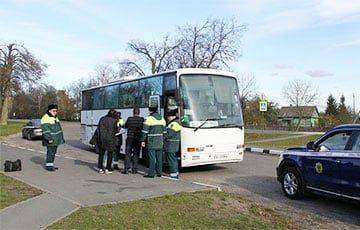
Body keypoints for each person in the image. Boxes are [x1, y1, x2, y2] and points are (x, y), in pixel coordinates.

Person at [141, 105, 166, 178]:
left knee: (151, 158)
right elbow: (165, 132)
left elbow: (144, 131)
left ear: (150, 110)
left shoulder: (148, 119)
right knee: (159, 158)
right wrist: (163, 140)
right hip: (160, 141)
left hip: (151, 141)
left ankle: (151, 174)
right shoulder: (162, 119)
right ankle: (159, 173)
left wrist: (143, 140)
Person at [41, 104, 65, 171]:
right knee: (50, 152)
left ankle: (51, 165)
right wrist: (49, 139)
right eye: (53, 111)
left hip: (55, 139)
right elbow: (45, 130)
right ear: (49, 111)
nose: (55, 112)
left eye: (56, 111)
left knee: (53, 152)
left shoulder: (54, 117)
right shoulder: (45, 118)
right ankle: (49, 166)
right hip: (50, 139)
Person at [122, 107, 144, 174]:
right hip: (138, 139)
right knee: (136, 154)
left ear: (133, 112)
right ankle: (134, 169)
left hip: (130, 138)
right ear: (139, 112)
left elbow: (125, 126)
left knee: (128, 154)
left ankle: (126, 169)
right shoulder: (141, 119)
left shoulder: (129, 119)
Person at [97, 109, 118, 174]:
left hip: (102, 139)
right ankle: (107, 169)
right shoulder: (114, 120)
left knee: (101, 154)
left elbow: (98, 128)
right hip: (110, 139)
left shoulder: (102, 119)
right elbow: (115, 130)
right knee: (110, 154)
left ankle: (100, 168)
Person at [164, 109, 181, 179]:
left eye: (169, 116)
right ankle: (175, 173)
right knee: (173, 159)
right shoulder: (176, 123)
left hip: (171, 145)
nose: (168, 118)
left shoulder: (174, 124)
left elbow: (168, 134)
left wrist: (164, 133)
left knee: (171, 160)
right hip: (173, 145)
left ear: (173, 117)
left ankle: (173, 174)